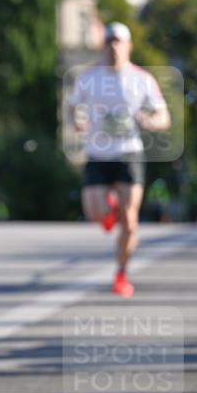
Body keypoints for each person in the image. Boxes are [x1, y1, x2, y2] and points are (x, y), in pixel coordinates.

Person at [68, 22, 171, 297]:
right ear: (102, 46)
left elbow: (164, 116)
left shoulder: (142, 79)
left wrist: (151, 120)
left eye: (119, 41)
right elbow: (72, 107)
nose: (113, 46)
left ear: (128, 45)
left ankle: (121, 273)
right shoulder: (88, 78)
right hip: (98, 153)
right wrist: (78, 121)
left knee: (130, 219)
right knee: (94, 213)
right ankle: (108, 208)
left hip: (128, 152)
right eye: (109, 41)